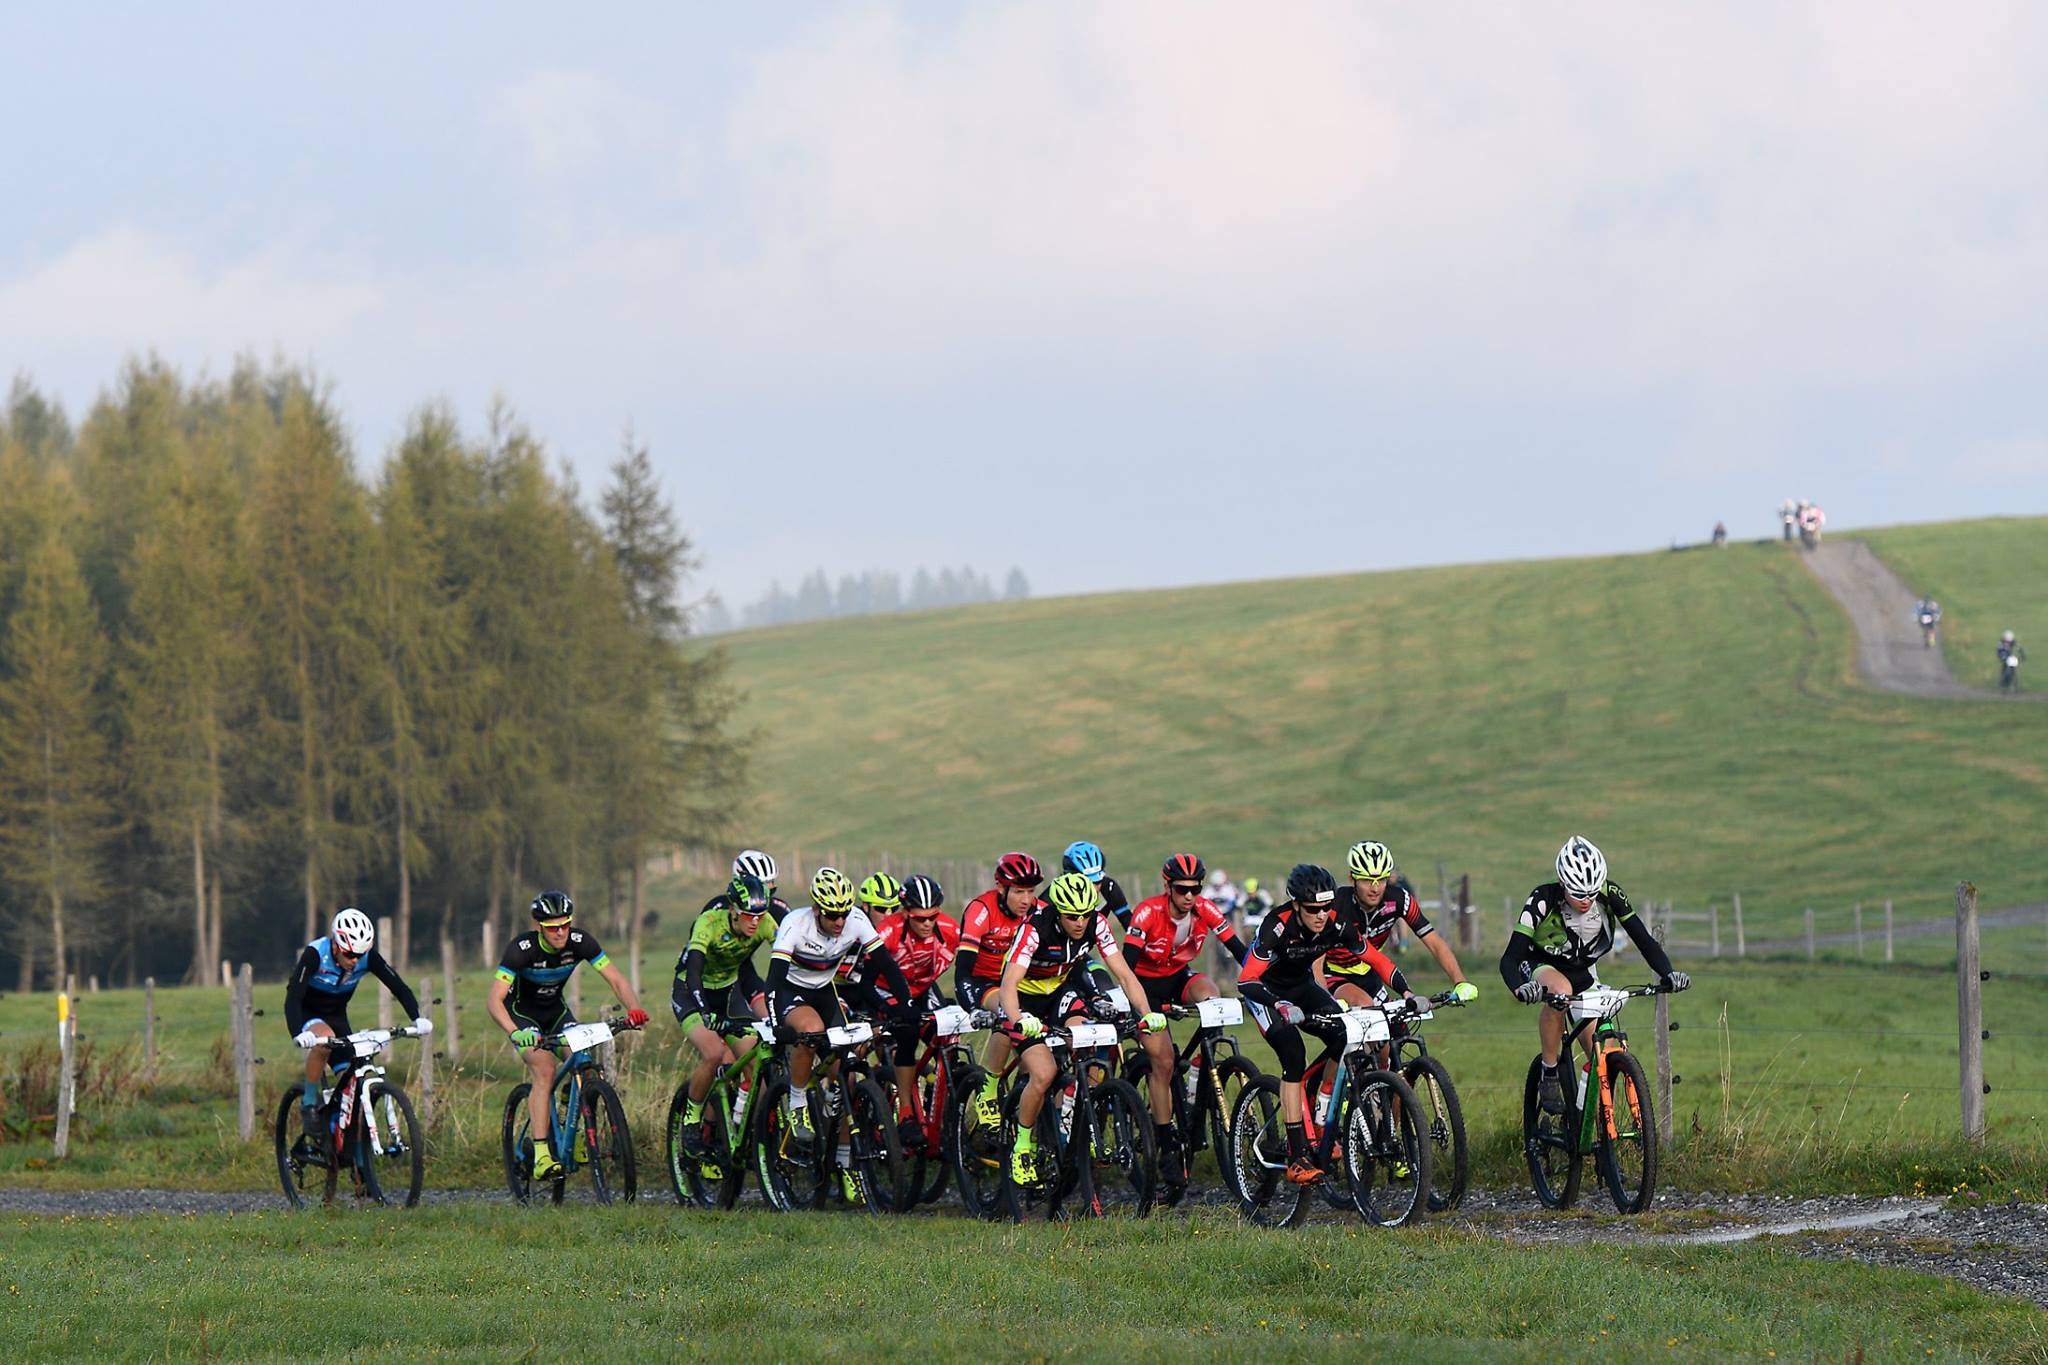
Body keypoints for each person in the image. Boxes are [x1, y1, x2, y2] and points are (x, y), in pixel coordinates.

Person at [996, 871, 1170, 1184]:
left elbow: (1126, 975)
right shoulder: (1034, 930)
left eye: (1086, 915)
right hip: (1023, 999)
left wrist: (1146, 1014)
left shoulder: (1096, 924)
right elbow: (1008, 985)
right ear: (1057, 912)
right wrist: (1020, 1018)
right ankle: (1022, 1144)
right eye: (1072, 916)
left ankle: (1078, 1115)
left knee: (1088, 1040)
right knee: (1043, 1072)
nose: (1080, 922)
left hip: (1059, 992)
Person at [1236, 864, 1401, 1184]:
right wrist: (1279, 1004)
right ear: (1296, 905)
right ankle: (1297, 1155)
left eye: (1326, 908)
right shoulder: (1276, 926)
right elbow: (1246, 980)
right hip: (1266, 994)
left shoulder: (1335, 922)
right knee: (1293, 1054)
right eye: (1312, 909)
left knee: (1345, 1036)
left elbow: (1376, 959)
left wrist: (1407, 992)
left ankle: (1322, 1117)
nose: (1320, 915)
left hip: (1300, 987)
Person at [1498, 837, 1688, 1116]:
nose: (1586, 900)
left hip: (1583, 970)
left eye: (1592, 893)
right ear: (1563, 884)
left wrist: (1669, 973)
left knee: (1600, 1059)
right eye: (1578, 894)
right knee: (1560, 992)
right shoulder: (1541, 898)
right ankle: (1549, 1073)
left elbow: (1643, 939)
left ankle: (1594, 1132)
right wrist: (1520, 987)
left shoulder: (1610, 893)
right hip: (1540, 963)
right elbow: (1510, 959)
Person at [488, 890, 649, 1180]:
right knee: (546, 1070)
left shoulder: (581, 942)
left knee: (584, 1061)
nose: (561, 932)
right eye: (553, 927)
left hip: (556, 1013)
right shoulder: (521, 949)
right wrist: (515, 1033)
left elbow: (615, 978)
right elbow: (494, 1001)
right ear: (539, 926)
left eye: (565, 924)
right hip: (522, 1017)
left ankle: (575, 1134)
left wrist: (634, 1009)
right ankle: (540, 1155)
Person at [763, 868, 913, 1154]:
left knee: (848, 1073)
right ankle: (797, 1103)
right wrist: (775, 1023)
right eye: (832, 915)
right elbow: (774, 979)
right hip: (791, 990)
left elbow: (888, 966)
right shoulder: (795, 925)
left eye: (844, 912)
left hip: (824, 992)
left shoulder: (855, 920)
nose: (840, 921)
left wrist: (905, 1003)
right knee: (811, 1031)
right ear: (816, 909)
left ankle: (843, 1161)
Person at [285, 908, 430, 1161]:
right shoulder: (315, 954)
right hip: (308, 1013)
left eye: (360, 955)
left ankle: (350, 1155)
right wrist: (298, 1032)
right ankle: (308, 1104)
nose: (355, 961)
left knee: (351, 1083)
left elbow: (398, 986)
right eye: (350, 954)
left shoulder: (365, 957)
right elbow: (293, 997)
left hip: (338, 1015)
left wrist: (417, 1017)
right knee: (325, 1043)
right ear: (336, 944)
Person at [671, 873, 778, 1155]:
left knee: (758, 1066)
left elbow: (787, 961)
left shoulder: (765, 923)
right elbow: (693, 970)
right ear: (733, 909)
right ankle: (692, 1119)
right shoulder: (710, 922)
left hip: (729, 993)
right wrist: (705, 1011)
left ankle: (754, 1141)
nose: (755, 921)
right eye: (748, 915)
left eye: (760, 915)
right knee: (714, 1054)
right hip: (692, 992)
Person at [1326, 841, 1478, 1010]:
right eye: (1367, 880)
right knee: (1365, 1005)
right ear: (1352, 879)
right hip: (1333, 974)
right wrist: (1323, 997)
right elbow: (1316, 958)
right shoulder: (1335, 905)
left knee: (1400, 1029)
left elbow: (1434, 943)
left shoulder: (1400, 900)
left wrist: (1460, 982)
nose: (1375, 888)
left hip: (1370, 973)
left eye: (1381, 879)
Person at [955, 852, 1046, 1127]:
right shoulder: (981, 911)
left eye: (1031, 891)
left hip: (1019, 983)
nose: (1026, 900)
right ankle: (988, 1087)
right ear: (1001, 888)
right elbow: (963, 971)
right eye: (1018, 891)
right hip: (982, 983)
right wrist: (972, 1008)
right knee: (1010, 1012)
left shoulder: (1039, 911)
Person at [873, 874, 961, 1146]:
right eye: (919, 918)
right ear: (906, 914)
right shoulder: (888, 931)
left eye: (932, 917)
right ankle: (906, 1112)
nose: (926, 923)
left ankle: (939, 1102)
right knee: (907, 1037)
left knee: (947, 1037)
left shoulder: (950, 930)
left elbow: (970, 964)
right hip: (886, 988)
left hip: (922, 989)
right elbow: (865, 980)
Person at [1061, 840, 1133, 928]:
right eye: (1088, 883)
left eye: (1097, 882)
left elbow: (1129, 923)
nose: (1094, 889)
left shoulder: (1109, 887)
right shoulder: (1056, 897)